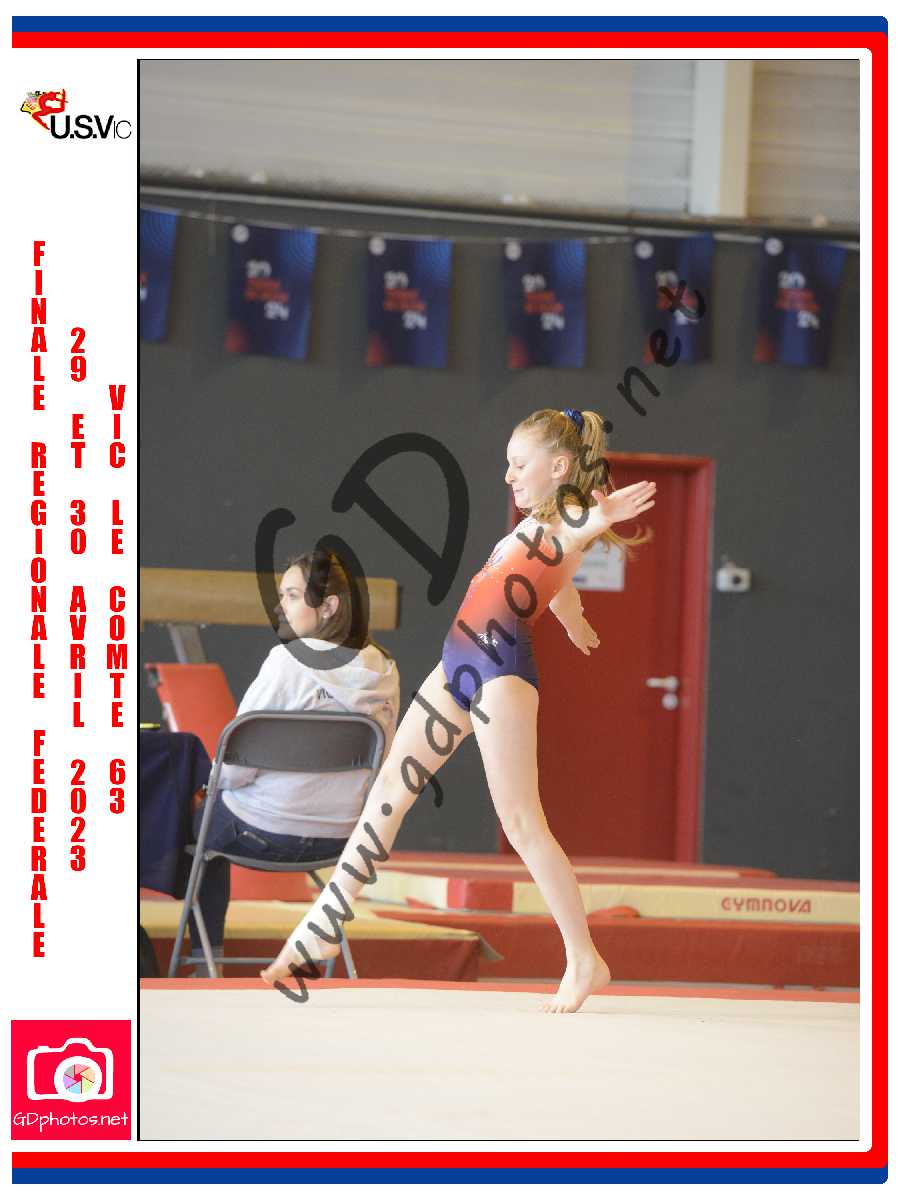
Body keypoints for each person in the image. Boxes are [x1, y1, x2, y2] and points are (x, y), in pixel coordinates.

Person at [261, 409, 655, 1013]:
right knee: (390, 789)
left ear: (558, 467)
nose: (508, 476)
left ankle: (584, 958)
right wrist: (573, 618)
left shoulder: (569, 519)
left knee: (522, 823)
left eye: (518, 465)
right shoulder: (536, 527)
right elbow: (558, 573)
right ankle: (322, 925)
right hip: (457, 664)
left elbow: (577, 533)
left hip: (499, 672)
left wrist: (602, 517)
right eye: (507, 465)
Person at [188, 549, 400, 971]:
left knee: (192, 822)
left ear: (329, 605)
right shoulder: (383, 669)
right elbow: (383, 762)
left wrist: (207, 787)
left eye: (291, 595)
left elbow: (235, 764)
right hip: (340, 837)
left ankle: (203, 960)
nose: (279, 605)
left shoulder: (288, 660)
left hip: (259, 829)